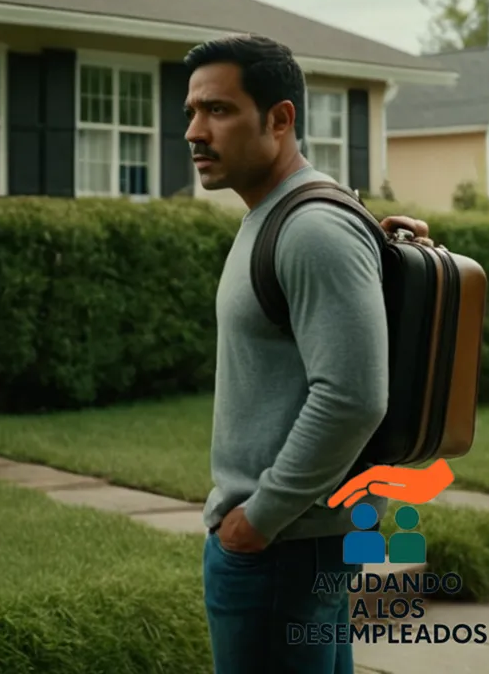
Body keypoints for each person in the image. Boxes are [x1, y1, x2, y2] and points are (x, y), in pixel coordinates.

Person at [183, 33, 430, 674]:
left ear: (280, 118)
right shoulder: (278, 214)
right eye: (191, 111)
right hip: (295, 542)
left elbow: (352, 396)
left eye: (218, 110)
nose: (195, 131)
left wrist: (257, 520)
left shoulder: (311, 228)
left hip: (282, 547)